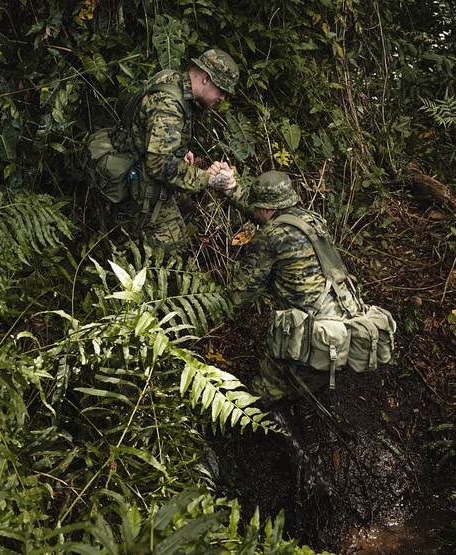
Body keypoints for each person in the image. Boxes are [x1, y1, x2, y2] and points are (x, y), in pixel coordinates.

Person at [229, 171, 397, 407]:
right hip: (349, 324)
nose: (255, 212)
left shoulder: (271, 237)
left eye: (258, 208)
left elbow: (240, 296)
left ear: (268, 209)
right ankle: (304, 405)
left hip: (316, 335)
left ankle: (271, 432)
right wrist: (231, 188)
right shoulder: (311, 219)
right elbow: (262, 216)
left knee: (261, 392)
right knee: (308, 381)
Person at [111, 48, 242, 249]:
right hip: (137, 180)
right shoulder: (169, 104)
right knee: (174, 243)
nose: (223, 98)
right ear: (206, 79)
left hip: (138, 161)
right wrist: (209, 179)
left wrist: (180, 151)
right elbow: (159, 165)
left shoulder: (173, 79)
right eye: (222, 90)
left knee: (188, 206)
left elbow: (156, 133)